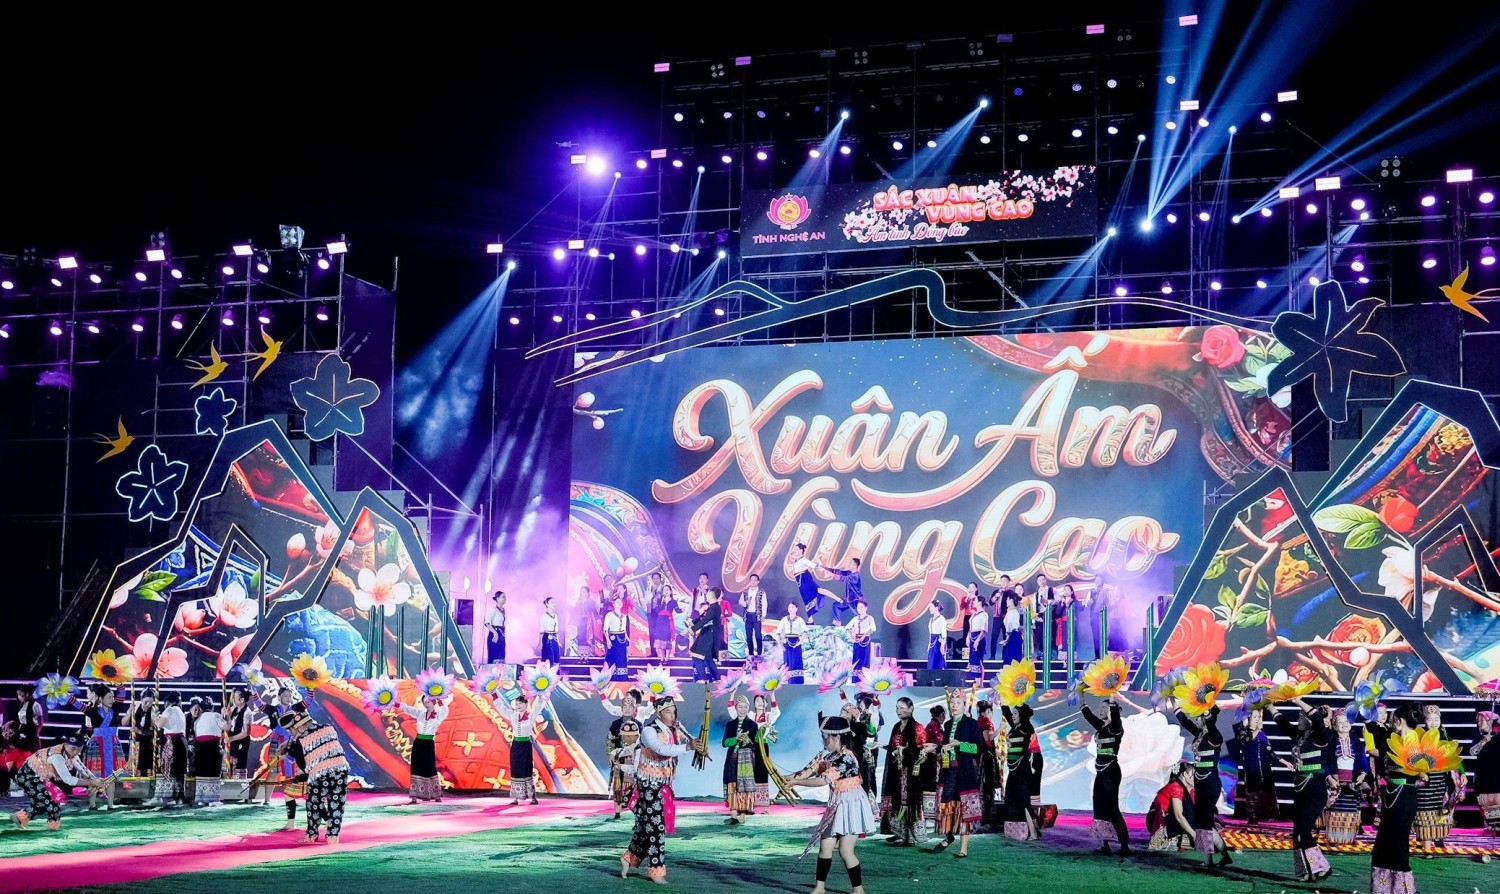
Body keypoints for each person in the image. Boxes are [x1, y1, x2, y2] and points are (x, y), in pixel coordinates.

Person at [620, 696, 708, 883]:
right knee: (656, 828)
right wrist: (688, 746)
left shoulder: (675, 729)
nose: (672, 715)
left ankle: (629, 858)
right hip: (648, 784)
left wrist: (697, 743)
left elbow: (688, 742)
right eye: (668, 712)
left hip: (664, 784)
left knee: (645, 827)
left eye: (674, 711)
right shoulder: (649, 731)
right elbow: (662, 749)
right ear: (659, 713)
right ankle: (656, 871)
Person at [787, 715, 874, 894]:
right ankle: (819, 887)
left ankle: (858, 890)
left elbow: (822, 780)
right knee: (825, 846)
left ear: (837, 737)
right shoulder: (831, 756)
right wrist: (788, 778)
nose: (824, 741)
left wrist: (796, 782)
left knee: (845, 851)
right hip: (836, 803)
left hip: (850, 805)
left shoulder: (846, 758)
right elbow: (811, 770)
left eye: (827, 738)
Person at [1271, 698, 1332, 882]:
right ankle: (1305, 870)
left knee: (1304, 831)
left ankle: (1322, 866)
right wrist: (1268, 706)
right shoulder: (1299, 736)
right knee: (1297, 832)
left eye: (1301, 716)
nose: (1298, 719)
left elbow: (1317, 717)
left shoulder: (1320, 736)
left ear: (1309, 719)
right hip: (1300, 789)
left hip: (1315, 790)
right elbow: (1282, 722)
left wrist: (1297, 700)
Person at [1368, 703, 1425, 894]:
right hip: (1391, 794)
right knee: (1383, 842)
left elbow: (1420, 771)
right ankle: (1383, 889)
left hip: (1404, 796)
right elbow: (1372, 731)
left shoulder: (1415, 742)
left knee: (1398, 842)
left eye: (1392, 718)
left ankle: (1403, 890)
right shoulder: (1393, 739)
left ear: (1399, 721)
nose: (1390, 722)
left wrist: (1418, 771)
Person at [282, 699, 351, 845]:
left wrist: (289, 752)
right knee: (336, 803)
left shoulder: (300, 740)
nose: (292, 733)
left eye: (292, 730)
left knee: (314, 803)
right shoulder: (328, 727)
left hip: (320, 775)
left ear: (298, 727)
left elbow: (304, 765)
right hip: (341, 769)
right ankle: (333, 836)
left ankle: (312, 834)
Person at [10, 733, 107, 831]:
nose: (76, 752)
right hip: (27, 776)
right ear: (65, 744)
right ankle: (52, 830)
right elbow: (68, 779)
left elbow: (83, 769)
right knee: (50, 803)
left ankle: (20, 818)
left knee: (47, 802)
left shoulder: (71, 754)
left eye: (79, 749)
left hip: (39, 777)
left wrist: (96, 780)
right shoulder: (57, 756)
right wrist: (92, 783)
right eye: (73, 748)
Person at [1176, 704, 1231, 866]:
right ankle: (1223, 856)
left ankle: (1209, 860)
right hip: (1199, 781)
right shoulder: (1199, 734)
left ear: (1206, 718)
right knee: (1202, 821)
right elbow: (1184, 721)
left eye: (1199, 716)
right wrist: (1173, 700)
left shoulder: (1215, 737)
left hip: (1210, 782)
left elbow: (1211, 725)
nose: (1196, 719)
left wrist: (1207, 710)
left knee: (1205, 821)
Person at [932, 688, 981, 857]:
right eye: (952, 702)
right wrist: (941, 749)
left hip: (965, 771)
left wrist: (960, 744)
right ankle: (949, 836)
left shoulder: (972, 724)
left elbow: (977, 748)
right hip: (949, 770)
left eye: (958, 702)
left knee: (964, 808)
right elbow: (946, 746)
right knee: (946, 804)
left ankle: (963, 849)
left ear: (964, 705)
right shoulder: (947, 725)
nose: (954, 705)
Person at [1080, 695, 1129, 855]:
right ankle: (1104, 844)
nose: (1101, 711)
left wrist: (1112, 696)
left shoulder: (1116, 727)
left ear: (1112, 711)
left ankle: (1124, 845)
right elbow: (1088, 715)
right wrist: (1081, 696)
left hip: (1111, 771)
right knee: (1099, 806)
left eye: (1104, 708)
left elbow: (1115, 717)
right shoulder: (1101, 727)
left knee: (1111, 807)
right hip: (1100, 771)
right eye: (1100, 708)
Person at [879, 696, 928, 846]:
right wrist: (883, 746)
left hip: (911, 772)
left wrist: (905, 750)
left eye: (902, 707)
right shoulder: (896, 727)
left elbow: (922, 749)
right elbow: (892, 747)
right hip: (897, 771)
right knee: (898, 800)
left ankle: (910, 836)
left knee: (909, 802)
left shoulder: (917, 727)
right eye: (897, 708)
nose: (898, 711)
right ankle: (900, 832)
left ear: (911, 708)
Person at [1414, 703, 1460, 853]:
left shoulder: (1445, 736)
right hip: (1425, 780)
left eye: (1436, 719)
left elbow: (1454, 757)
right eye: (1430, 719)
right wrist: (1421, 771)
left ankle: (1438, 837)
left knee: (1440, 809)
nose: (1433, 723)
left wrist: (1463, 773)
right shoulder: (1419, 736)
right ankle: (1424, 840)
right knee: (1424, 810)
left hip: (1441, 780)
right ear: (1424, 721)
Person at [1323, 709, 1371, 845]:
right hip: (1335, 780)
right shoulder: (1330, 739)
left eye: (1347, 721)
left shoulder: (1355, 739)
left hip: (1353, 780)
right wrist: (1329, 777)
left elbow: (1362, 758)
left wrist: (1363, 774)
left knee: (1350, 810)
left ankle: (1348, 839)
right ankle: (1334, 840)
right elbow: (1324, 760)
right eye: (1340, 722)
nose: (1344, 724)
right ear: (1334, 726)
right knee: (1336, 810)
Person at [494, 693, 546, 805]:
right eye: (517, 704)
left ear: (526, 704)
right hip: (516, 745)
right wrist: (494, 695)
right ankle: (516, 798)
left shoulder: (530, 715)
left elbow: (538, 706)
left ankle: (532, 797)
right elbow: (502, 709)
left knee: (527, 769)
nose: (518, 706)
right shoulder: (513, 715)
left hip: (526, 745)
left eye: (521, 703)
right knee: (516, 769)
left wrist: (541, 694)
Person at [78, 684, 124, 807]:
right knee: (94, 775)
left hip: (112, 745)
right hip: (97, 745)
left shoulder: (116, 709)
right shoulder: (92, 711)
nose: (112, 700)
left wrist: (117, 682)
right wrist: (64, 694)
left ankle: (110, 804)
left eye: (112, 697)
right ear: (101, 699)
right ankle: (92, 804)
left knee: (111, 775)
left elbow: (122, 693)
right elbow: (77, 704)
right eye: (109, 697)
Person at [1230, 706, 1278, 824]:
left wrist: (1284, 761)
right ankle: (1253, 816)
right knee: (1253, 792)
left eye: (1259, 717)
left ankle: (1268, 816)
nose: (1257, 719)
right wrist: (1256, 730)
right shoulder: (1243, 731)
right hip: (1252, 768)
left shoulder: (1262, 734)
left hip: (1265, 768)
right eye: (1255, 717)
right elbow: (1246, 742)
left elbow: (1270, 750)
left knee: (1267, 791)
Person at [399, 692, 448, 803]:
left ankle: (436, 795)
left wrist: (440, 700)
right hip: (418, 743)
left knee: (429, 767)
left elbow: (445, 710)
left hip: (428, 743)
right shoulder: (420, 713)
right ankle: (414, 796)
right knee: (416, 766)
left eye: (428, 701)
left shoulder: (438, 715)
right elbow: (409, 709)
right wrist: (398, 704)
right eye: (424, 702)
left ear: (433, 702)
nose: (426, 703)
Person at [1001, 703, 1039, 840]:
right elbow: (1006, 713)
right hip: (1013, 770)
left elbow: (1027, 735)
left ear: (1022, 715)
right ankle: (1014, 831)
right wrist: (1003, 700)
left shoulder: (1027, 727)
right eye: (1013, 713)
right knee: (1010, 799)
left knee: (1023, 801)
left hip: (1022, 770)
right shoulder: (1015, 727)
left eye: (1016, 713)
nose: (1013, 716)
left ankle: (1033, 832)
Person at [722, 693, 761, 823]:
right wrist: (736, 738)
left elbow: (756, 744)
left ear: (748, 708)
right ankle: (733, 816)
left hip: (746, 760)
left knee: (744, 787)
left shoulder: (752, 725)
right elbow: (725, 743)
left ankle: (742, 816)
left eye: (745, 707)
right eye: (740, 706)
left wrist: (751, 740)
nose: (743, 709)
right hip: (732, 759)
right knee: (732, 785)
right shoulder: (730, 725)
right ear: (736, 708)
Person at [146, 690, 187, 807]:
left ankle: (164, 796)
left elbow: (159, 724)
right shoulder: (180, 711)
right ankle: (178, 797)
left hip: (172, 742)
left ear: (167, 702)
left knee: (168, 768)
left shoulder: (169, 710)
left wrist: (155, 717)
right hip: (181, 741)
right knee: (178, 769)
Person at [1147, 761, 1197, 851]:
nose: (1197, 777)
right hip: (1160, 820)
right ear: (1185, 774)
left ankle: (1184, 838)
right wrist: (1195, 835)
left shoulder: (1191, 789)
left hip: (1172, 818)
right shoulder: (1176, 787)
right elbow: (1178, 816)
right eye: (1194, 774)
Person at [192, 697, 227, 806]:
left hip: (199, 748)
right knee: (213, 771)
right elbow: (228, 727)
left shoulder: (197, 720)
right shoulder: (216, 715)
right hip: (212, 746)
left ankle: (201, 799)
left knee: (202, 771)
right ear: (212, 707)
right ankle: (213, 799)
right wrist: (227, 716)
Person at [750, 692, 780, 812]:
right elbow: (736, 715)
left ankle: (763, 803)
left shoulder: (768, 716)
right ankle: (750, 801)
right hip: (751, 746)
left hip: (763, 745)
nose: (760, 703)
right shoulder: (751, 715)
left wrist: (772, 695)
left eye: (762, 701)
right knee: (750, 772)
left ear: (766, 704)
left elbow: (776, 712)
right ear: (754, 704)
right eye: (757, 701)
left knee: (762, 772)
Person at [975, 700, 1002, 830]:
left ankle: (980, 818)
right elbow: (988, 738)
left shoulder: (977, 721)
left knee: (981, 787)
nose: (991, 714)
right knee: (987, 787)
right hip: (986, 758)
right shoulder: (986, 721)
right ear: (986, 711)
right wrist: (1000, 729)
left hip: (979, 756)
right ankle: (986, 819)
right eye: (990, 711)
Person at [1471, 708, 1498, 834]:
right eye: (1478, 721)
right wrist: (1483, 741)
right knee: (1485, 799)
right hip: (1483, 774)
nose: (1479, 723)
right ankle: (1491, 823)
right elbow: (1472, 752)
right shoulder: (1478, 737)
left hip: (1496, 774)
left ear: (1490, 721)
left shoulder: (1498, 737)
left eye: (1482, 720)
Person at [820, 557, 863, 626]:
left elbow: (841, 578)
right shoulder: (849, 573)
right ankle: (838, 624)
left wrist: (827, 572)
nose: (849, 564)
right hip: (848, 600)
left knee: (860, 616)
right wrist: (824, 568)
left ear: (855, 565)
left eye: (850, 563)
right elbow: (838, 572)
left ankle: (862, 627)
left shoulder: (856, 576)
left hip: (855, 601)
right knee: (836, 605)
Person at [691, 590, 723, 682]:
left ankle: (703, 678)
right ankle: (717, 679)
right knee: (708, 658)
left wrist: (692, 629)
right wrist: (692, 622)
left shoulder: (714, 608)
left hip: (708, 635)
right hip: (708, 633)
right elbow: (702, 617)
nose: (706, 595)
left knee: (697, 656)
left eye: (708, 593)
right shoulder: (712, 607)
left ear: (712, 595)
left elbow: (705, 620)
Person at [123, 690, 156, 778]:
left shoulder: (153, 711)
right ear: (141, 699)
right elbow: (124, 723)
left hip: (147, 743)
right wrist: (130, 712)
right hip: (135, 741)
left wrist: (140, 731)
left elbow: (155, 731)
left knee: (146, 769)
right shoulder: (135, 707)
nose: (148, 705)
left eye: (151, 703)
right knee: (134, 766)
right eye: (146, 702)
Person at [777, 600, 808, 683]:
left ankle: (798, 682)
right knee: (788, 663)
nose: (791, 609)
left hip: (796, 643)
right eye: (789, 607)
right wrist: (780, 644)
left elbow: (805, 632)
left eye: (793, 607)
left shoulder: (799, 619)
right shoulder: (784, 619)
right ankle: (790, 682)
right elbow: (778, 633)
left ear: (796, 609)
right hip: (787, 643)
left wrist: (800, 642)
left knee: (796, 662)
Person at [649, 574, 678, 660]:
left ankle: (667, 657)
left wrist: (682, 609)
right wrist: (662, 603)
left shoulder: (673, 601)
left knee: (667, 638)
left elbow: (677, 610)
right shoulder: (659, 600)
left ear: (670, 591)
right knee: (661, 638)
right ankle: (662, 658)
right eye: (664, 590)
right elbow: (657, 610)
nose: (666, 591)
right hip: (660, 621)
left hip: (668, 621)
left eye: (667, 590)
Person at [739, 574, 767, 659]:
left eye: (755, 580)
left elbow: (765, 604)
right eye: (752, 580)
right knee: (748, 636)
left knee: (758, 635)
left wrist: (763, 615)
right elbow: (740, 601)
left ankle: (759, 654)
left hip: (757, 616)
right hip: (748, 615)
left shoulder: (761, 592)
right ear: (750, 581)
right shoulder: (745, 591)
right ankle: (750, 654)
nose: (753, 582)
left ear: (758, 581)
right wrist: (745, 603)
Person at [226, 688, 253, 776]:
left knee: (239, 764)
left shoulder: (247, 713)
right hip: (232, 741)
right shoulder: (234, 709)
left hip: (241, 741)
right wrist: (227, 715)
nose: (233, 700)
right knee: (230, 765)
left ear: (242, 699)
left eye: (235, 698)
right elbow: (229, 723)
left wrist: (231, 738)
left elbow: (246, 732)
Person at [792, 543, 822, 618]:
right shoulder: (796, 560)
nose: (794, 550)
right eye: (794, 549)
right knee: (806, 599)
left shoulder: (803, 560)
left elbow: (814, 565)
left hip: (804, 579)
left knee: (815, 592)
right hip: (800, 581)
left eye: (796, 549)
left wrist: (820, 566)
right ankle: (810, 619)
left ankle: (837, 598)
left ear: (801, 550)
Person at [605, 594, 630, 679]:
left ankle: (622, 677)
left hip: (622, 638)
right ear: (613, 604)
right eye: (617, 602)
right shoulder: (609, 615)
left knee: (622, 657)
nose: (619, 604)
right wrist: (608, 640)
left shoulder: (624, 616)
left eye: (620, 602)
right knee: (613, 656)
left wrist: (627, 638)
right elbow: (606, 629)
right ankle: (612, 676)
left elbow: (624, 629)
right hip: (613, 637)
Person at [848, 600, 876, 672]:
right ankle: (855, 675)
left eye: (861, 607)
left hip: (865, 640)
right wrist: (852, 634)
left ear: (866, 608)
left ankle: (863, 675)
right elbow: (847, 628)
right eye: (858, 607)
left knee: (864, 657)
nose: (859, 609)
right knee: (856, 657)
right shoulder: (855, 618)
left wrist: (864, 635)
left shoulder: (870, 618)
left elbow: (873, 629)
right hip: (856, 639)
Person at [14, 686, 43, 751]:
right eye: (18, 695)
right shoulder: (21, 705)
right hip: (22, 730)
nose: (19, 697)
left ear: (27, 694)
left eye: (20, 694)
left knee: (31, 750)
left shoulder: (35, 705)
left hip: (31, 731)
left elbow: (40, 721)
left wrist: (37, 733)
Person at [1031, 575, 1054, 658]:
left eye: (1043, 579)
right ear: (1037, 582)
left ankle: (1050, 654)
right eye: (1039, 580)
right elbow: (1034, 607)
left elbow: (1057, 601)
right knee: (1040, 635)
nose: (1041, 582)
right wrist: (1034, 620)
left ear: (1046, 580)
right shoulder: (1036, 593)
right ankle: (1041, 653)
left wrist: (1046, 601)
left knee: (1049, 635)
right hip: (1039, 615)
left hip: (1050, 614)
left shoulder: (1051, 590)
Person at [1001, 589, 1025, 665]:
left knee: (1011, 659)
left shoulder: (1012, 612)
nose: (1006, 601)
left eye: (1007, 600)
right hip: (1014, 636)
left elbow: (1010, 627)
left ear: (1011, 600)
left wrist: (1007, 639)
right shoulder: (1013, 612)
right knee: (1012, 658)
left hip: (1013, 636)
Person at [987, 581, 1010, 660]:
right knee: (994, 636)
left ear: (1008, 582)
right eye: (1002, 581)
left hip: (1006, 617)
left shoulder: (1010, 593)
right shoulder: (996, 592)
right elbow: (990, 602)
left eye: (1005, 581)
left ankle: (1005, 656)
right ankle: (992, 656)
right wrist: (995, 597)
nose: (1003, 583)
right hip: (997, 617)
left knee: (1005, 637)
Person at [966, 600, 988, 681]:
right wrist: (968, 637)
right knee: (973, 659)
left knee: (978, 660)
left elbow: (984, 630)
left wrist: (977, 640)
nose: (973, 602)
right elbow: (971, 627)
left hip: (979, 638)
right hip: (972, 636)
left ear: (979, 602)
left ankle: (980, 682)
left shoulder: (984, 614)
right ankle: (975, 680)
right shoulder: (974, 614)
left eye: (975, 600)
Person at [484, 591, 507, 664]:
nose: (505, 599)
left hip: (501, 634)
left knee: (501, 653)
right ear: (497, 598)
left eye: (505, 597)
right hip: (494, 633)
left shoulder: (504, 611)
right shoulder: (493, 610)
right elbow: (487, 622)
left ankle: (501, 669)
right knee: (494, 654)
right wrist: (494, 633)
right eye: (503, 597)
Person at [926, 600, 948, 671]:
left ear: (936, 608)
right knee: (931, 664)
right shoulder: (931, 619)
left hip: (938, 642)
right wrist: (929, 644)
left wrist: (942, 645)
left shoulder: (941, 619)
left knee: (937, 662)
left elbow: (944, 633)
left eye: (931, 607)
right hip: (932, 643)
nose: (930, 609)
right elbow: (930, 633)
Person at [539, 596, 562, 663]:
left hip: (554, 638)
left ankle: (556, 669)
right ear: (547, 604)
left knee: (556, 656)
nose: (554, 604)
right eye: (552, 602)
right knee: (549, 656)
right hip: (547, 637)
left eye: (555, 602)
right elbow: (541, 630)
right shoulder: (544, 616)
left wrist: (558, 641)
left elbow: (556, 630)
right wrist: (540, 642)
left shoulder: (555, 616)